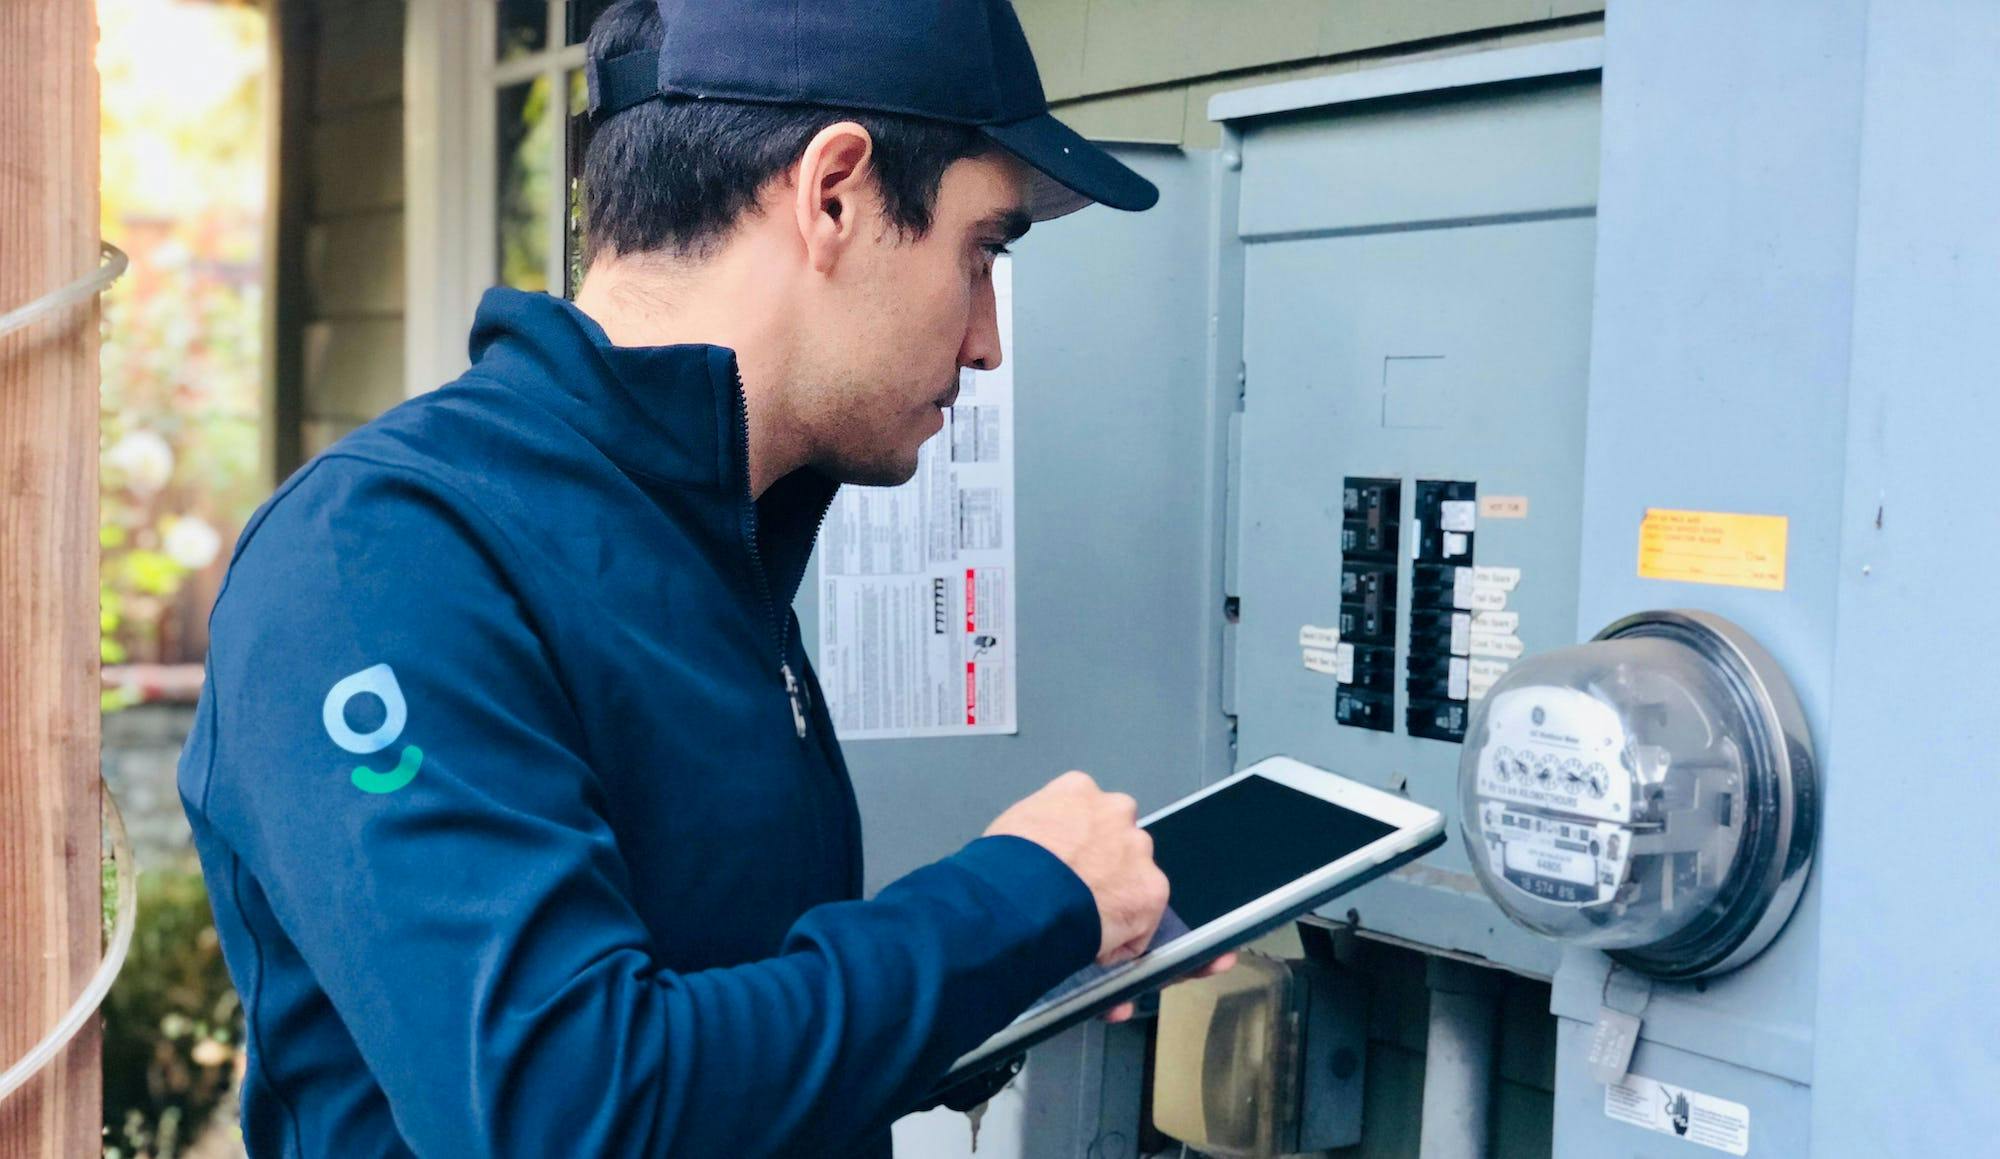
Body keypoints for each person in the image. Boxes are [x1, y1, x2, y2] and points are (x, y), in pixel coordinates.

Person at [179, 0, 1232, 1155]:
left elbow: (725, 1020)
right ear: (832, 193)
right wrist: (1012, 906)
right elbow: (565, 1108)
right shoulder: (375, 560)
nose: (986, 340)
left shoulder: (719, 542)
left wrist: (1020, 966)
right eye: (980, 251)